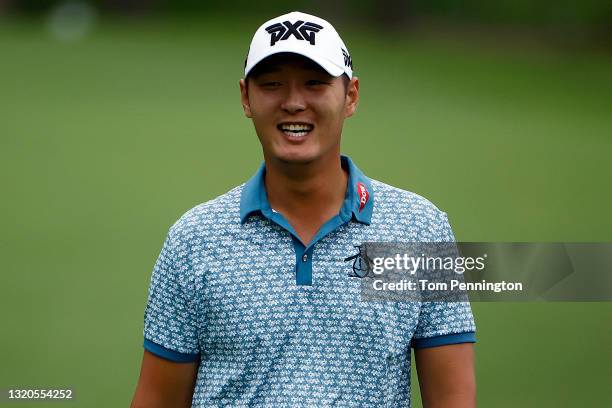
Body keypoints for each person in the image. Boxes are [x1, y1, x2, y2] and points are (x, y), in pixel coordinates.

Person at [131, 11, 476, 408]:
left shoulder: (418, 229)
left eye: (315, 84)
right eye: (272, 84)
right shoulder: (195, 240)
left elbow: (453, 399)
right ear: (246, 98)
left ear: (351, 96)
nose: (294, 103)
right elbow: (156, 399)